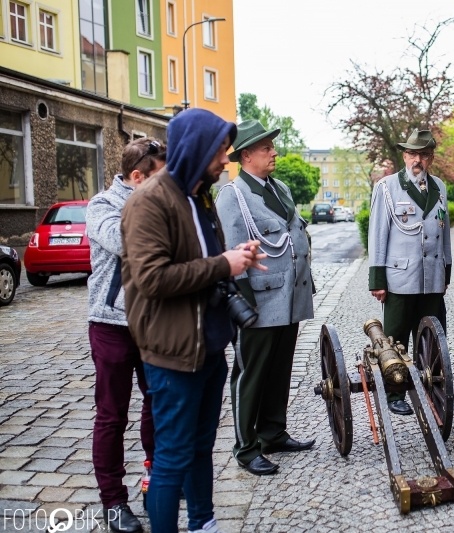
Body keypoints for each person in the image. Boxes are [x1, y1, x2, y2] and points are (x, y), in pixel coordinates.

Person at [121, 109, 265, 533]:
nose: (226, 159)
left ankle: (203, 523)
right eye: (220, 150)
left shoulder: (198, 196)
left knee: (202, 448)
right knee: (172, 458)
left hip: (208, 347)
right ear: (196, 149)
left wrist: (236, 258)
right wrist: (223, 264)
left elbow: (201, 259)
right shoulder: (149, 201)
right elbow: (152, 279)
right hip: (172, 355)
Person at [216, 120, 315, 475]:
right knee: (251, 374)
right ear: (246, 156)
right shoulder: (233, 196)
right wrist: (245, 306)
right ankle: (246, 447)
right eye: (266, 148)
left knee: (279, 371)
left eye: (272, 146)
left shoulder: (281, 189)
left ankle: (273, 432)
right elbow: (232, 253)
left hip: (288, 298)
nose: (274, 152)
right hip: (258, 301)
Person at [86, 137, 166, 533]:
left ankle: (154, 478)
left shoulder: (159, 203)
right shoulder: (101, 206)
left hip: (152, 324)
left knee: (157, 404)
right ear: (137, 177)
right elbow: (126, 243)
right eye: (159, 178)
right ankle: (114, 501)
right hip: (112, 325)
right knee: (111, 415)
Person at [367, 129, 452, 415]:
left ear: (430, 158)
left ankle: (432, 384)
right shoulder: (387, 187)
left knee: (434, 338)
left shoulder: (439, 186)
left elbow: (444, 234)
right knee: (396, 338)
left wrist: (446, 272)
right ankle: (394, 393)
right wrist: (377, 279)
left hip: (432, 277)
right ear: (405, 155)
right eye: (413, 154)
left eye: (424, 155)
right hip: (400, 279)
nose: (418, 160)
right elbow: (378, 234)